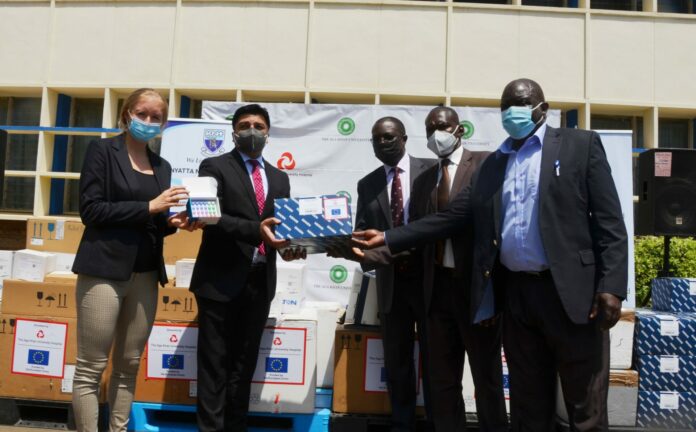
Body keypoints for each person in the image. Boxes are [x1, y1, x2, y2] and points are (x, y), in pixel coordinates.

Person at [354, 78, 628, 431]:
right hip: (518, 298)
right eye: (505, 107)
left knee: (584, 407)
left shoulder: (580, 145)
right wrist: (389, 237)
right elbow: (452, 217)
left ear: (541, 108)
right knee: (529, 405)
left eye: (521, 103)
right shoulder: (495, 163)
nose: (512, 112)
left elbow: (610, 221)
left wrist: (611, 285)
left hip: (571, 295)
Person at [72, 88, 195, 431]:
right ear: (126, 114)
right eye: (142, 113)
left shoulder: (162, 166)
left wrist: (171, 223)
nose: (148, 121)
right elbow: (91, 210)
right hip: (103, 271)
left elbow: (153, 224)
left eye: (156, 117)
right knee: (91, 366)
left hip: (144, 274)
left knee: (129, 364)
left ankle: (119, 428)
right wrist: (149, 207)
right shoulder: (102, 151)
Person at [189, 104, 304, 432]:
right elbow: (207, 214)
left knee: (243, 367)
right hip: (219, 280)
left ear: (268, 132)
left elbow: (281, 230)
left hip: (259, 282)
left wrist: (294, 249)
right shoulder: (214, 166)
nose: (251, 131)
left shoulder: (279, 178)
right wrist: (256, 230)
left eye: (258, 125)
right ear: (234, 132)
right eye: (244, 125)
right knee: (213, 368)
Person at [407, 107, 506, 432]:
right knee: (442, 381)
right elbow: (417, 235)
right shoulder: (422, 182)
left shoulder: (486, 164)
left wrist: (492, 294)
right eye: (429, 129)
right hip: (437, 294)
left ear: (459, 129)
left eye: (442, 126)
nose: (436, 134)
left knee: (486, 377)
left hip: (476, 292)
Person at [351, 116, 433, 432]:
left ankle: (440, 421)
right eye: (376, 139)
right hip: (391, 283)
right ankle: (402, 424)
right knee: (397, 362)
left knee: (436, 358)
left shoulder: (432, 170)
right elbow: (360, 233)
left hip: (429, 281)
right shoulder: (367, 184)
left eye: (388, 137)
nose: (383, 143)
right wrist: (352, 248)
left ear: (403, 137)